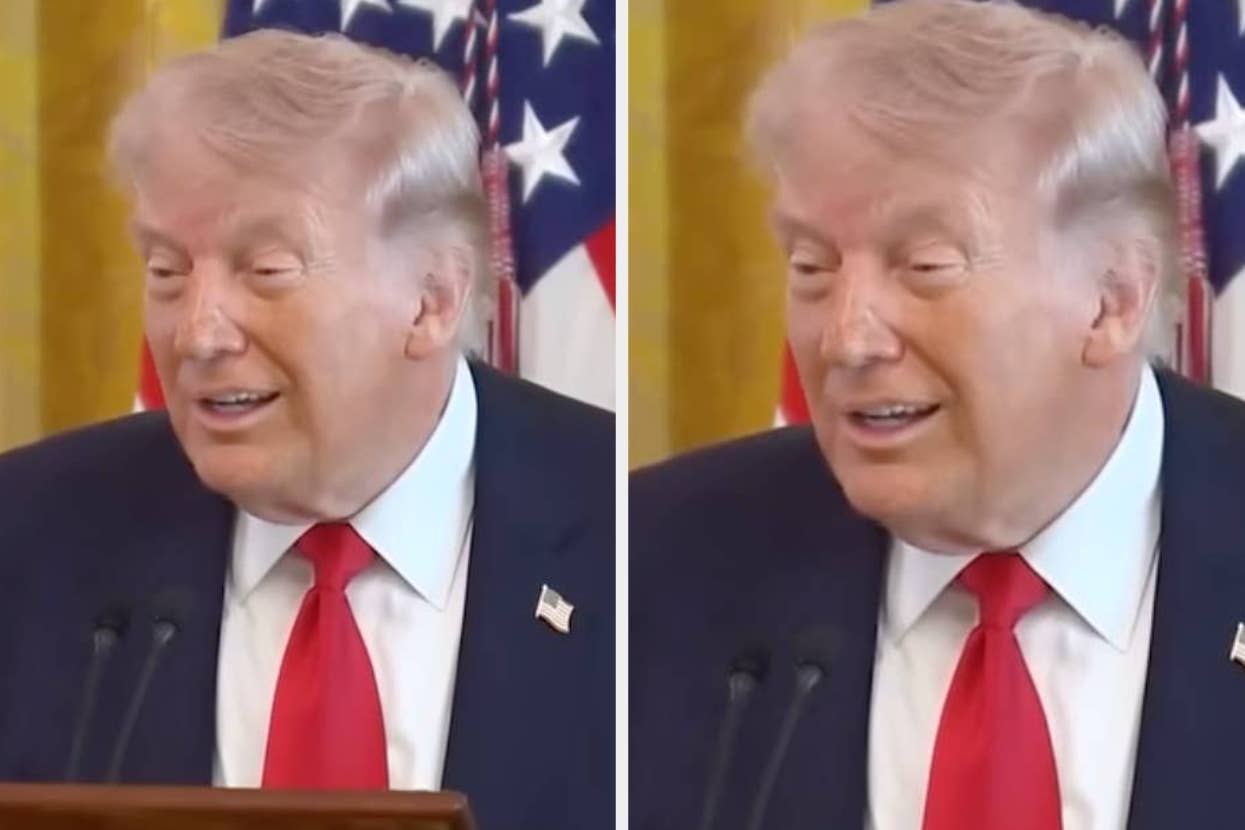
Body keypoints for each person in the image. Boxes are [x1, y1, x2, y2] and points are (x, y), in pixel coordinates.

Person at [631, 2, 1245, 828]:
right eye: (811, 266)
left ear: (1111, 301)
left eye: (924, 266)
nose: (846, 338)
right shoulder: (649, 563)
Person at [0, 30, 613, 830]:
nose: (197, 334)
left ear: (430, 300)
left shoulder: (633, 537)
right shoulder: (28, 536)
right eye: (167, 272)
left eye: (266, 271)